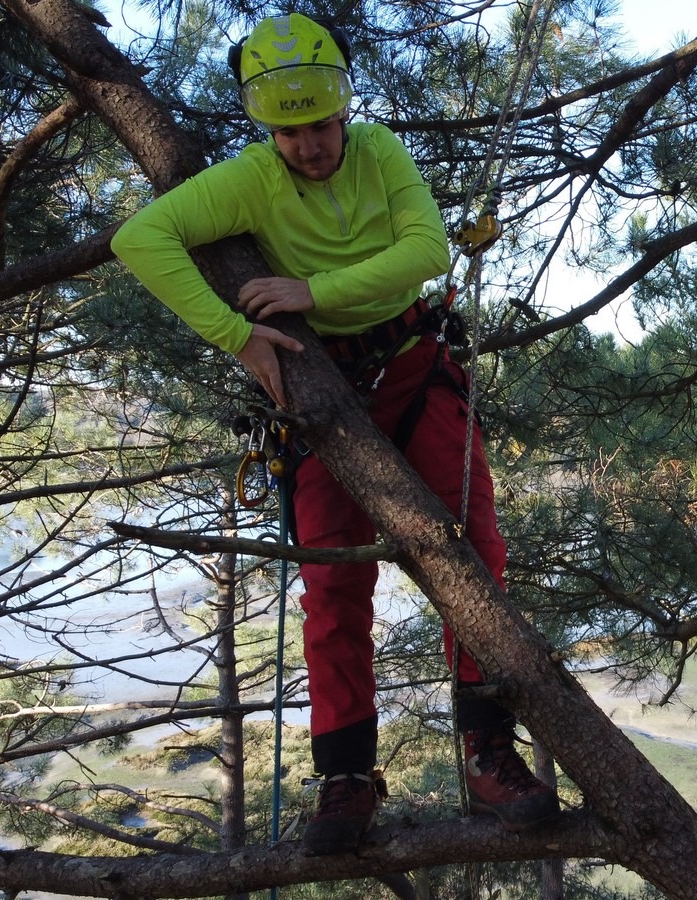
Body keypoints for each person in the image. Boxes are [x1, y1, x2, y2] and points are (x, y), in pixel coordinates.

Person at [111, 12, 557, 854]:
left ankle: (486, 749)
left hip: (414, 362)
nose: (310, 146)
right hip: (325, 395)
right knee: (331, 584)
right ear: (267, 130)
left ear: (342, 111)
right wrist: (236, 334)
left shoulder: (381, 153)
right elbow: (142, 237)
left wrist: (310, 291)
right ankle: (346, 776)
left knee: (475, 551)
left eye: (319, 124)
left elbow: (424, 249)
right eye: (290, 131)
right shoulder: (251, 179)